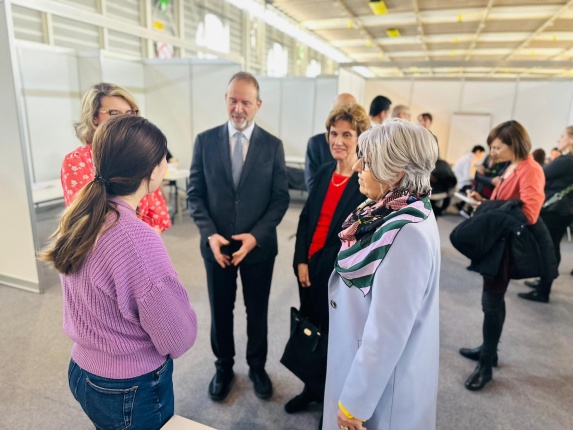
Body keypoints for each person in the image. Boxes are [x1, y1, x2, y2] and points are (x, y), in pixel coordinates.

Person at [40, 115, 198, 429]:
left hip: (83, 370)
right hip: (127, 386)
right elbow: (179, 337)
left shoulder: (81, 218)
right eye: (164, 159)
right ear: (152, 171)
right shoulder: (136, 240)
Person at [323, 119, 440, 430]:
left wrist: (354, 405)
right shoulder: (399, 210)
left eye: (369, 161)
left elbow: (386, 333)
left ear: (396, 173)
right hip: (366, 363)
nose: (359, 165)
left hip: (378, 388)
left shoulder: (406, 232)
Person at [187, 72, 290, 402]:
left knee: (257, 310)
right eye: (233, 100)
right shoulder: (205, 141)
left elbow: (280, 199)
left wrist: (256, 236)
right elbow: (195, 194)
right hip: (217, 245)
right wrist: (209, 234)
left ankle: (257, 366)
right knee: (220, 310)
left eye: (246, 102)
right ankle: (224, 366)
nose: (238, 108)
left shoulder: (273, 146)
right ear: (226, 99)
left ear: (258, 105)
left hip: (257, 248)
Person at [286, 104, 370, 415]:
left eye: (347, 134)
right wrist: (301, 260)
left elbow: (357, 236)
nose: (339, 140)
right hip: (308, 269)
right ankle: (311, 388)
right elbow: (306, 219)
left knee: (337, 339)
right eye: (334, 133)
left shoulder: (365, 181)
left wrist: (319, 266)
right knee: (311, 330)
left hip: (335, 274)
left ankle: (332, 398)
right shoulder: (324, 172)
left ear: (360, 137)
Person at [460, 121, 545, 391]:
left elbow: (529, 212)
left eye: (497, 147)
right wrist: (485, 203)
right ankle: (490, 351)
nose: (493, 152)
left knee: (491, 303)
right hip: (498, 242)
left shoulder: (530, 169)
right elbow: (506, 203)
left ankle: (485, 365)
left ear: (513, 144)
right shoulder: (514, 166)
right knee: (493, 302)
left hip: (505, 247)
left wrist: (491, 210)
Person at [61, 83, 171, 234]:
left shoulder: (138, 152)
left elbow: (157, 212)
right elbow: (83, 221)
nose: (124, 119)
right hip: (107, 248)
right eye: (114, 113)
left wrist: (146, 242)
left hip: (144, 241)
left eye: (130, 112)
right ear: (94, 117)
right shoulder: (78, 160)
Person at [520, 126, 573, 302]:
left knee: (549, 247)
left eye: (563, 136)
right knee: (551, 246)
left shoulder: (567, 160)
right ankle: (544, 280)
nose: (559, 139)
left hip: (556, 211)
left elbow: (541, 174)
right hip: (561, 210)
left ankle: (544, 289)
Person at [304, 93, 357, 192]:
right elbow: (311, 183)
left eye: (347, 135)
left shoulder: (362, 169)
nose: (338, 142)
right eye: (334, 134)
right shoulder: (316, 143)